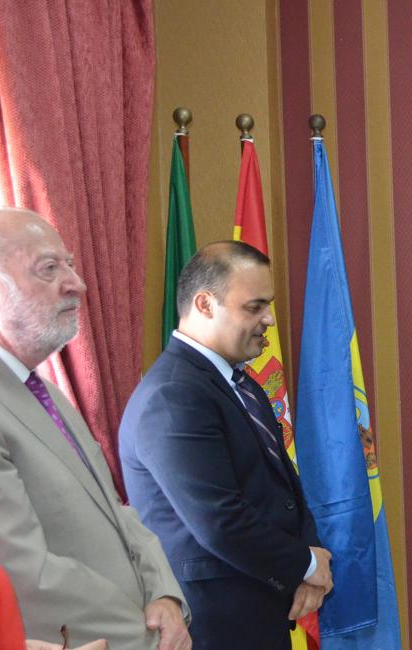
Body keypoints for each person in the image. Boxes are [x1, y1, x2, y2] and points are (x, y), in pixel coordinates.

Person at [0, 210, 187, 649]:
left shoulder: (39, 385)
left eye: (70, 264)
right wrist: (146, 636)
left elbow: (116, 510)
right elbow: (20, 571)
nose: (77, 283)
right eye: (49, 268)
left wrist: (165, 595)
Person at [120, 241, 332, 650]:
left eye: (267, 305)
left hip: (260, 609)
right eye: (254, 307)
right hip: (213, 623)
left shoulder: (241, 383)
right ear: (204, 304)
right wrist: (305, 564)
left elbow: (284, 487)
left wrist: (311, 555)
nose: (269, 319)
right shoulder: (173, 394)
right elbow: (219, 519)